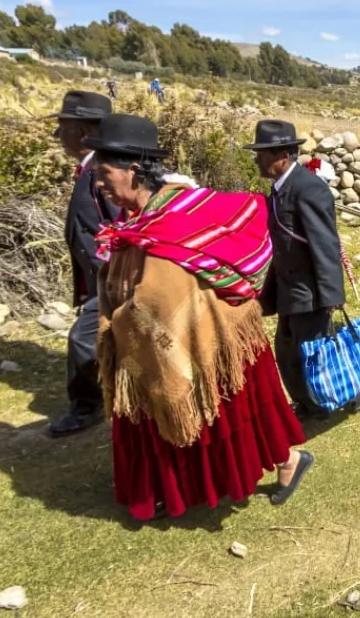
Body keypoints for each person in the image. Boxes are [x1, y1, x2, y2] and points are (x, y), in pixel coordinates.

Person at [91, 114, 312, 520]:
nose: (99, 183)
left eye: (104, 173)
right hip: (160, 345)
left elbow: (243, 238)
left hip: (212, 339)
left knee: (237, 412)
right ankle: (168, 485)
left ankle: (289, 461)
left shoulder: (185, 212)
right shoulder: (134, 224)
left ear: (134, 171)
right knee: (163, 413)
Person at [247, 120, 356, 417]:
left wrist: (332, 296)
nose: (258, 159)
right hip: (288, 291)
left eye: (264, 153)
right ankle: (309, 403)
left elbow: (324, 245)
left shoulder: (308, 189)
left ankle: (323, 403)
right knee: (287, 353)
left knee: (310, 355)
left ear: (283, 155)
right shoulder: (279, 190)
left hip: (309, 293)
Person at [46, 91, 118, 437]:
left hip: (109, 276)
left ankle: (86, 406)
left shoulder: (101, 173)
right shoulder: (90, 169)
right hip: (98, 276)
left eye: (64, 128)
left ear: (85, 131)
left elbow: (120, 221)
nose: (59, 136)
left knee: (81, 339)